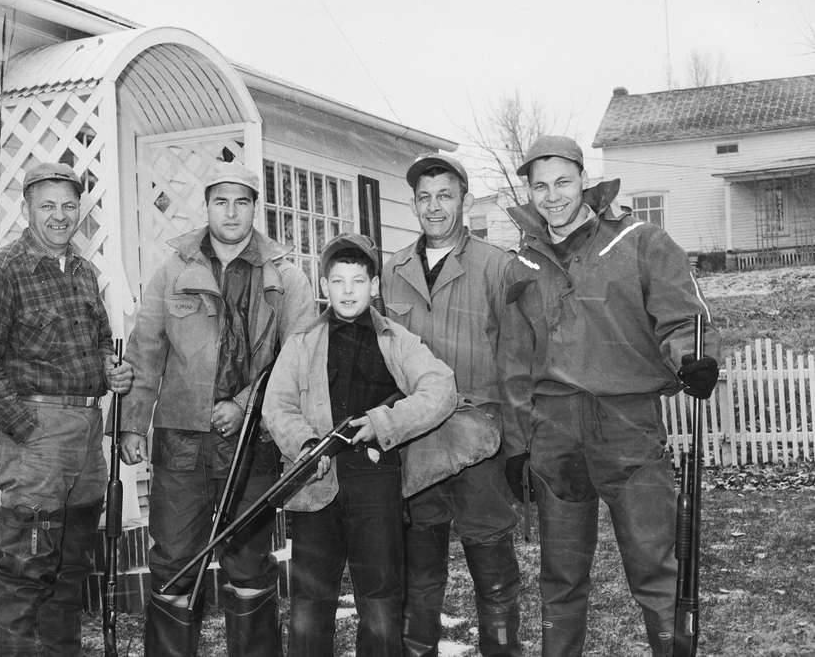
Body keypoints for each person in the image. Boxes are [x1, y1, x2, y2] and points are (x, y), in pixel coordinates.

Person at [504, 135, 720, 656]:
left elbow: (682, 315)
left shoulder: (638, 242)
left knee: (654, 567)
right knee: (560, 578)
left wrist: (693, 357)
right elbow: (513, 362)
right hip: (554, 431)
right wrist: (517, 444)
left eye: (562, 182)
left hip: (626, 424)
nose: (552, 196)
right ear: (528, 192)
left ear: (584, 178)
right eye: (540, 186)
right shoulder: (521, 265)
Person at [119, 160, 316, 657]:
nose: (231, 211)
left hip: (251, 442)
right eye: (221, 201)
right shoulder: (172, 271)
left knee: (248, 564)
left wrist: (246, 405)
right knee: (174, 564)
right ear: (206, 206)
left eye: (242, 201)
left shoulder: (286, 278)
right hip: (181, 442)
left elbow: (300, 357)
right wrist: (131, 423)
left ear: (256, 207)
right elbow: (146, 348)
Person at [0, 161, 133, 656]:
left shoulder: (82, 271)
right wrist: (26, 428)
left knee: (69, 573)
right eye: (48, 205)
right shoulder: (1, 270)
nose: (60, 216)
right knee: (24, 575)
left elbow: (100, 344)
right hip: (38, 440)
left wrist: (112, 371)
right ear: (28, 207)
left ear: (81, 209)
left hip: (87, 437)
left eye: (69, 205)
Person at [263, 233, 458, 656]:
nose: (347, 290)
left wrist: (382, 421)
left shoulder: (397, 340)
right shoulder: (301, 344)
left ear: (374, 286)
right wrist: (305, 444)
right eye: (337, 281)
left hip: (376, 482)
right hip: (316, 482)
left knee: (382, 600)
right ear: (323, 287)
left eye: (357, 280)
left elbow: (441, 388)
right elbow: (275, 406)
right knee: (310, 605)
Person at [382, 152, 524, 657]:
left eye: (445, 195)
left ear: (463, 199)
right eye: (424, 197)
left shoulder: (496, 266)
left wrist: (518, 446)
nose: (434, 207)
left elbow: (517, 362)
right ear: (414, 204)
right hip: (417, 443)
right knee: (419, 578)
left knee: (495, 574)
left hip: (478, 439)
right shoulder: (391, 270)